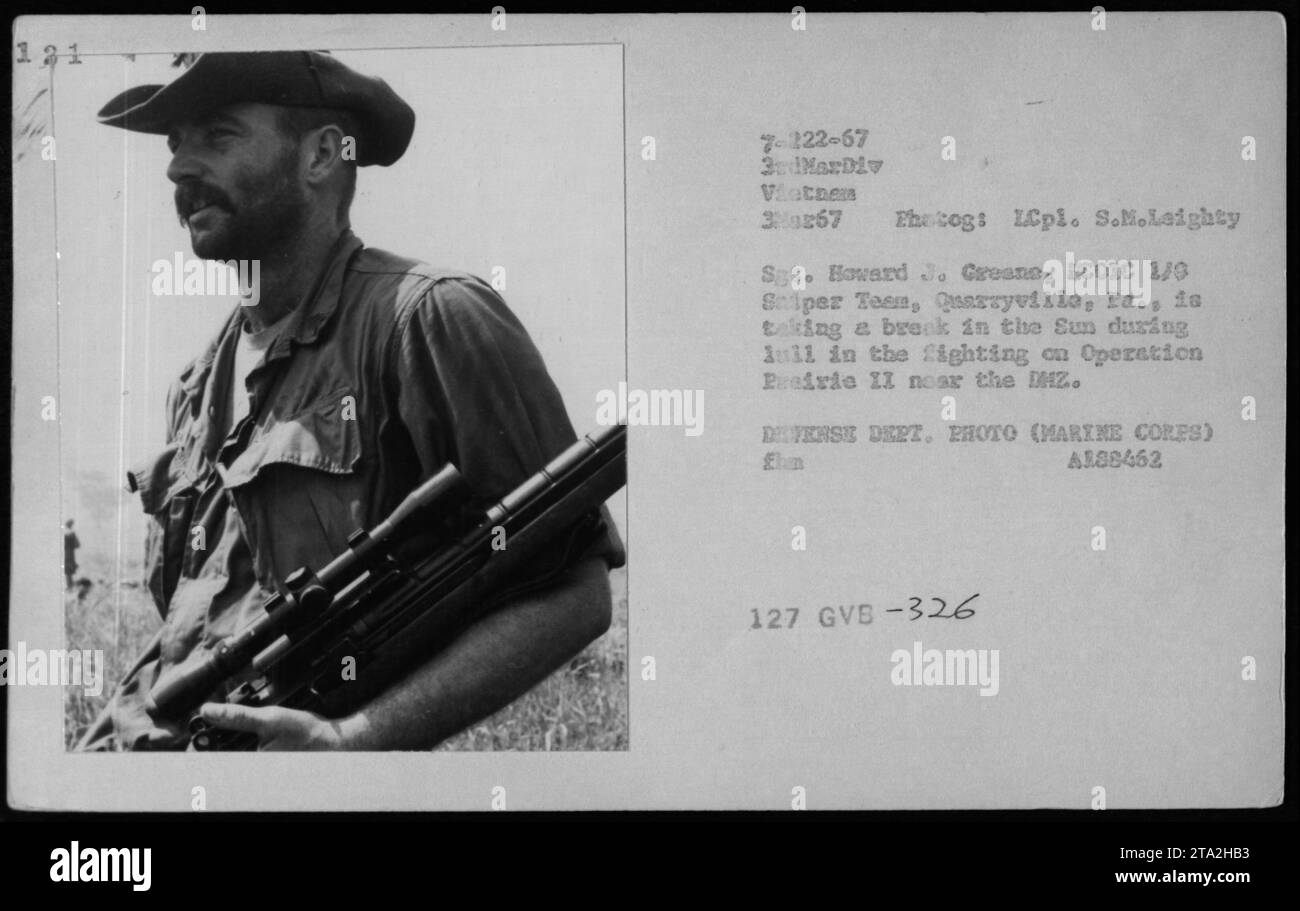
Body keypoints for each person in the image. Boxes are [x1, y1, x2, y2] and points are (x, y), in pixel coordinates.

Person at [77, 51, 623, 751]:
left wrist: (354, 739)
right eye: (176, 143)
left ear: (322, 156)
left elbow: (574, 595)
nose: (178, 168)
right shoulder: (195, 384)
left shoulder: (430, 319)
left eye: (218, 136)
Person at [64, 519, 80, 590]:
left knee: (67, 569)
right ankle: (70, 585)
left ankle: (69, 585)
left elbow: (77, 545)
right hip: (69, 553)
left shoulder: (63, 534)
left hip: (66, 553)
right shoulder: (72, 534)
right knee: (69, 568)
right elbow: (77, 545)